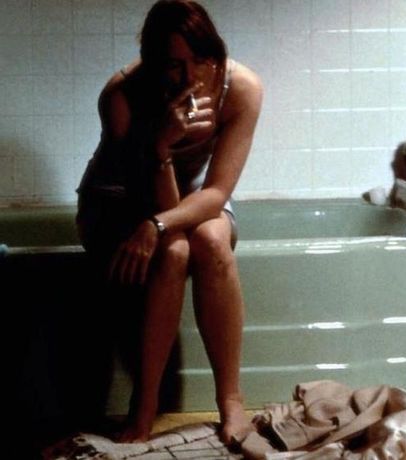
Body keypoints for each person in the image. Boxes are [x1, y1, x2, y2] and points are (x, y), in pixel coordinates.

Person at [76, 0, 263, 444]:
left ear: (215, 53)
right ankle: (144, 408)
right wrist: (161, 145)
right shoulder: (122, 96)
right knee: (175, 252)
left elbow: (217, 192)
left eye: (201, 60)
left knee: (212, 240)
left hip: (189, 198)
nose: (189, 76)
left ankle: (231, 402)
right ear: (153, 62)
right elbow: (150, 199)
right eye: (173, 65)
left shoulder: (241, 89)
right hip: (118, 197)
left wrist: (158, 225)